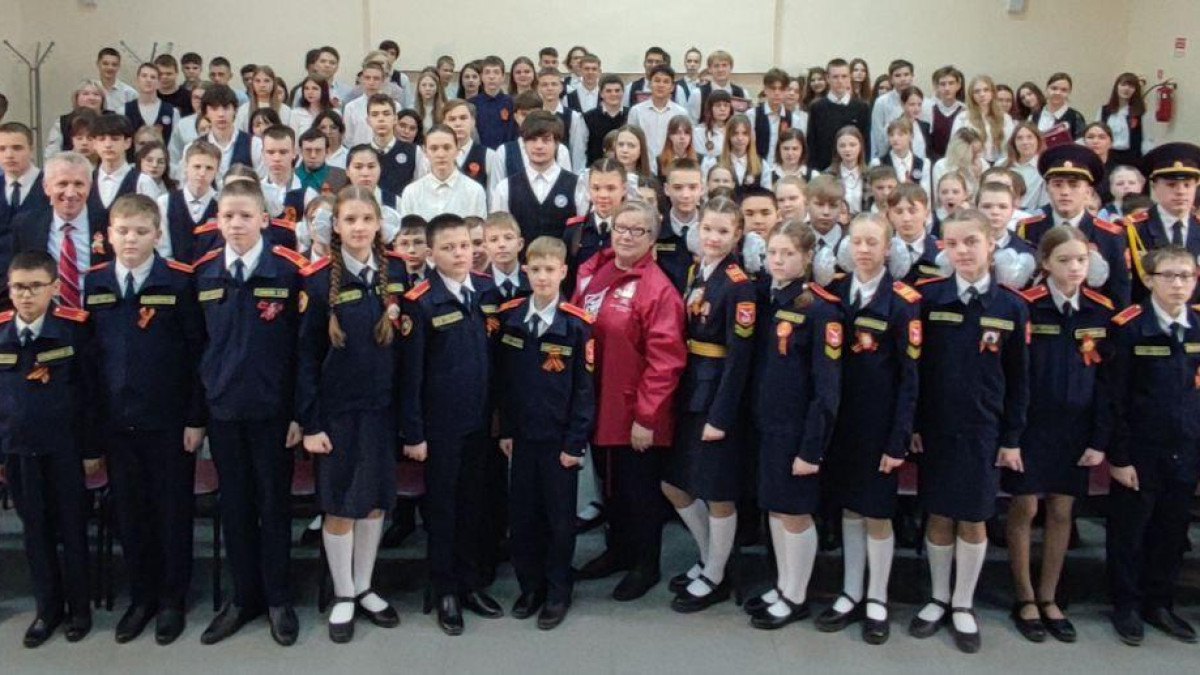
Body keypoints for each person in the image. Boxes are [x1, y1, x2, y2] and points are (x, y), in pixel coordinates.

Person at [83, 194, 204, 645]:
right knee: (130, 514)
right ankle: (142, 598)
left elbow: (197, 354)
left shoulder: (179, 281)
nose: (131, 239)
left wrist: (195, 418)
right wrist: (93, 431)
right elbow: (89, 362)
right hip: (117, 423)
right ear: (108, 236)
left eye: (140, 231)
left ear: (158, 234)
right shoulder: (95, 282)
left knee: (172, 512)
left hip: (169, 422)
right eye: (122, 231)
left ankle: (172, 600)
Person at [909, 209, 1029, 654]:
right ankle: (938, 597)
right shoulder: (929, 299)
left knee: (975, 518)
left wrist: (1012, 437)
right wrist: (914, 424)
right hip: (937, 428)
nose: (962, 251)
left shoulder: (1011, 306)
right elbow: (914, 372)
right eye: (952, 243)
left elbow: (1020, 380)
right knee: (939, 514)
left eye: (971, 241)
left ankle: (963, 602)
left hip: (984, 430)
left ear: (991, 243)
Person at [193, 180, 306, 647]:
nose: (236, 223)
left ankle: (278, 597)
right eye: (228, 216)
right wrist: (198, 414)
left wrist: (300, 412)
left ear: (264, 219)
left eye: (245, 215)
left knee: (274, 505)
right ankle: (243, 598)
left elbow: (303, 350)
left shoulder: (289, 271)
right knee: (234, 505)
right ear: (217, 222)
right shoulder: (203, 274)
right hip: (223, 411)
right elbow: (195, 348)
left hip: (274, 412)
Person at [296, 187, 404, 643]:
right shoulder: (317, 282)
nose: (359, 227)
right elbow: (304, 359)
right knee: (340, 506)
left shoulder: (396, 273)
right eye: (350, 219)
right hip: (337, 415)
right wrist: (311, 422)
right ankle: (342, 592)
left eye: (367, 218)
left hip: (381, 410)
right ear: (335, 226)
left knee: (374, 503)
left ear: (380, 223)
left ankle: (364, 586)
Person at [1002, 225, 1113, 644]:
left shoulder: (1100, 311)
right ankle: (1024, 596)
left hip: (1075, 428)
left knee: (1062, 511)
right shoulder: (1027, 306)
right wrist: (1011, 434)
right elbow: (1014, 375)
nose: (1074, 268)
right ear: (1045, 263)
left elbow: (1107, 381)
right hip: (1031, 426)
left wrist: (1099, 438)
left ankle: (1049, 596)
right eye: (1064, 260)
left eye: (1081, 260)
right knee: (1025, 507)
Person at [572, 200, 687, 602]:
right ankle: (617, 550)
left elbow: (666, 361)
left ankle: (645, 564)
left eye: (637, 230)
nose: (626, 236)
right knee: (611, 487)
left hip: (634, 413)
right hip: (598, 405)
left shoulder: (658, 289)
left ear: (653, 239)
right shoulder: (599, 271)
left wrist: (646, 416)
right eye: (621, 227)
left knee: (640, 491)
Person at [814, 212, 920, 643]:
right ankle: (851, 590)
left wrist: (899, 439)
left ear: (888, 248)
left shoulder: (903, 302)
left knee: (877, 513)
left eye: (872, 242)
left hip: (881, 426)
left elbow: (910, 378)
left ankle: (877, 597)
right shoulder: (836, 293)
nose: (863, 249)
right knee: (849, 509)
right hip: (842, 425)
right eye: (856, 241)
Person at [398, 213, 503, 635]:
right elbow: (410, 375)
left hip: (479, 421)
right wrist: (414, 432)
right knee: (442, 510)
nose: (460, 254)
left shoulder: (486, 291)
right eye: (449, 248)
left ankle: (469, 583)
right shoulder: (420, 301)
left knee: (473, 505)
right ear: (430, 253)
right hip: (440, 427)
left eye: (465, 245)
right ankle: (444, 590)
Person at [746, 219, 842, 629]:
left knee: (795, 513)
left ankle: (797, 595)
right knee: (775, 508)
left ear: (807, 258)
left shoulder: (819, 310)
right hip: (769, 425)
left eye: (788, 253)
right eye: (773, 253)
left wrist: (811, 448)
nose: (779, 260)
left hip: (798, 431)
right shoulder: (770, 299)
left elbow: (827, 389)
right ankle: (783, 584)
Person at [496, 235, 595, 630]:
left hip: (559, 441)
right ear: (525, 270)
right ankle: (531, 586)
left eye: (549, 270)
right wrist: (506, 429)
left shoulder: (577, 324)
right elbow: (505, 382)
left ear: (563, 272)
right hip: (521, 436)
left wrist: (576, 443)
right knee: (523, 517)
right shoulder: (511, 318)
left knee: (558, 519)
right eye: (535, 269)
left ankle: (557, 590)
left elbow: (585, 391)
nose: (542, 277)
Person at [661, 197, 755, 613]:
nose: (713, 238)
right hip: (690, 389)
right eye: (707, 229)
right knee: (674, 484)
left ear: (737, 235)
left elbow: (739, 359)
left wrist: (722, 414)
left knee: (718, 491)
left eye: (723, 231)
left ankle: (717, 574)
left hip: (716, 395)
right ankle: (708, 557)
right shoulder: (697, 270)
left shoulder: (739, 284)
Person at [1, 251, 96, 648]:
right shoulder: (2, 332)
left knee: (72, 529)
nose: (26, 295)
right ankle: (47, 609)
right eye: (18, 287)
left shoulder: (73, 329)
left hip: (64, 450)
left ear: (54, 288)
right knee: (35, 532)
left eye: (35, 287)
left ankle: (79, 609)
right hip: (19, 452)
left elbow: (90, 395)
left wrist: (91, 449)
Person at [1107, 245, 1200, 646]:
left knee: (1172, 528)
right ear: (1148, 280)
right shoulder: (1129, 327)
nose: (1179, 284)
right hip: (1140, 448)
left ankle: (1159, 602)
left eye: (1187, 276)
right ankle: (1126, 604)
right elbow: (1114, 397)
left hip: (1186, 445)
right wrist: (1120, 456)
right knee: (1131, 529)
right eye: (1170, 276)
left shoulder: (1197, 327)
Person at [1017, 144, 1131, 307]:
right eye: (1057, 184)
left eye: (1074, 185)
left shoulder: (1110, 235)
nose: (1065, 192)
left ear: (1088, 192)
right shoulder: (1028, 229)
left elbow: (1119, 292)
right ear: (1047, 189)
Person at [7, 152, 110, 308]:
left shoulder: (108, 223)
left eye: (79, 184)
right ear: (46, 187)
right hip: (46, 314)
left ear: (90, 186)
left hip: (99, 312)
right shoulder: (26, 225)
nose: (70, 193)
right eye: (62, 184)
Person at [490, 111, 582, 241]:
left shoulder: (577, 185)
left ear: (556, 144)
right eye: (533, 139)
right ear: (523, 143)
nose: (539, 146)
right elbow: (498, 233)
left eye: (546, 140)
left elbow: (582, 233)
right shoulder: (505, 188)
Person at [1127, 143, 1200, 303]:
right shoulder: (1133, 229)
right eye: (1171, 185)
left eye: (1187, 185)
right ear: (1154, 186)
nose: (1181, 192)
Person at [399, 125, 487, 221]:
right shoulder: (411, 193)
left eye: (447, 148)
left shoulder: (474, 191)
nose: (441, 154)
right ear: (425, 151)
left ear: (457, 149)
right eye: (434, 148)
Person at [807, 59, 871, 172]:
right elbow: (811, 142)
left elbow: (865, 142)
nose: (840, 81)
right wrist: (814, 170)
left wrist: (863, 168)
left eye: (844, 76)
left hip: (853, 170)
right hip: (823, 170)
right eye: (835, 77)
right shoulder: (817, 108)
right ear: (828, 78)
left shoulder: (861, 107)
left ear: (850, 77)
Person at [628, 65, 690, 169]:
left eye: (666, 82)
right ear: (650, 84)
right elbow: (630, 140)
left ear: (672, 87)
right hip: (644, 167)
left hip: (672, 167)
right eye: (657, 81)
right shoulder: (636, 111)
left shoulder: (681, 113)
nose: (661, 85)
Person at [0, 122, 49, 235]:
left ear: (31, 150)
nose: (9, 155)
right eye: (2, 149)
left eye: (17, 148)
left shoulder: (51, 185)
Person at [125, 63, 179, 149]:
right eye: (144, 76)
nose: (148, 80)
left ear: (159, 83)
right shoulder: (124, 110)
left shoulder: (172, 112)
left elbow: (174, 146)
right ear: (137, 80)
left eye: (153, 77)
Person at [869, 60, 915, 158]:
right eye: (897, 75)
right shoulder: (881, 102)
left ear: (912, 77)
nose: (903, 79)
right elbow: (877, 134)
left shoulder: (922, 102)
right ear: (891, 79)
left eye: (906, 74)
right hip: (888, 156)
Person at [1098, 73, 1147, 165]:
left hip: (1132, 159)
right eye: (1123, 85)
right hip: (1107, 157)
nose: (1126, 89)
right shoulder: (1104, 110)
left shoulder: (1141, 113)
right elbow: (1097, 134)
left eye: (1131, 86)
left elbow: (1146, 140)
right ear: (1117, 87)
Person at [470, 56, 516, 149]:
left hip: (506, 152)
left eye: (496, 72)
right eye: (487, 72)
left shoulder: (512, 103)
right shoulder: (471, 104)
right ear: (481, 77)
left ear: (503, 77)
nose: (491, 77)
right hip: (479, 152)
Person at [582, 74, 628, 166]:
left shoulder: (631, 114)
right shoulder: (588, 117)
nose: (613, 94)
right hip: (597, 168)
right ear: (601, 94)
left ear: (623, 92)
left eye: (617, 90)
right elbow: (582, 148)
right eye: (608, 91)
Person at [921, 65, 965, 161]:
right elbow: (926, 142)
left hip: (959, 160)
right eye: (942, 84)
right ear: (936, 87)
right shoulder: (929, 110)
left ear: (958, 85)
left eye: (951, 83)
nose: (947, 88)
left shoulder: (964, 111)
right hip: (934, 160)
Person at [1035, 73, 1086, 141]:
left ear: (1069, 93)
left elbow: (1080, 144)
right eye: (1054, 88)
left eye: (1063, 90)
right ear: (1047, 89)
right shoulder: (1035, 115)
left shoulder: (1076, 117)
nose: (1058, 93)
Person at [96, 47, 137, 111]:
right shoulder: (90, 91)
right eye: (105, 64)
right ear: (98, 64)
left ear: (119, 66)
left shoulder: (130, 94)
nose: (110, 68)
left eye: (114, 64)